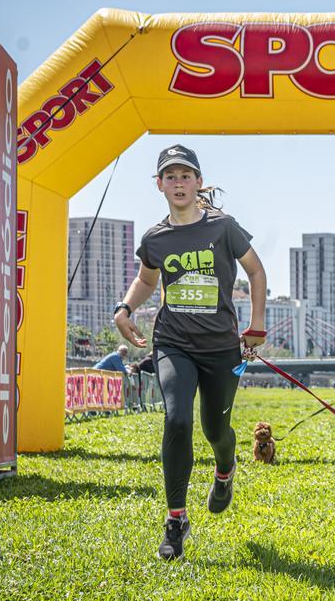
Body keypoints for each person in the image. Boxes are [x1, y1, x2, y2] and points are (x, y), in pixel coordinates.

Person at [113, 144, 267, 561]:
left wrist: (256, 326)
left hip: (221, 348)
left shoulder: (224, 228)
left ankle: (225, 470)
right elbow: (146, 280)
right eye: (170, 176)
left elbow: (256, 271)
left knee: (216, 431)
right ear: (159, 184)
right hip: (174, 343)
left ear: (198, 182)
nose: (178, 183)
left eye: (185, 176)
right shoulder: (155, 238)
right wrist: (126, 308)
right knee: (177, 418)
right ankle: (176, 520)